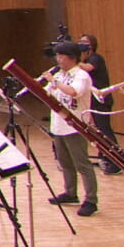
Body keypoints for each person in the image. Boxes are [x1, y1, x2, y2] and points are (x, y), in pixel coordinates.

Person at [44, 41, 99, 217]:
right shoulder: (59, 74)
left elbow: (73, 92)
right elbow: (47, 93)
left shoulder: (81, 75)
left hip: (75, 126)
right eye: (57, 56)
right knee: (65, 163)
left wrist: (54, 81)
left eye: (61, 56)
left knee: (82, 164)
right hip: (58, 125)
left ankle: (91, 200)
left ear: (72, 58)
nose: (58, 59)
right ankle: (70, 193)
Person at [78, 33, 122, 174]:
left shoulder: (95, 58)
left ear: (92, 44)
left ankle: (116, 161)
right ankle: (104, 156)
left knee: (105, 131)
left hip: (101, 100)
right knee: (98, 131)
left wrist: (72, 61)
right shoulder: (86, 59)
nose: (81, 43)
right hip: (93, 100)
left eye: (84, 41)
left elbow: (88, 68)